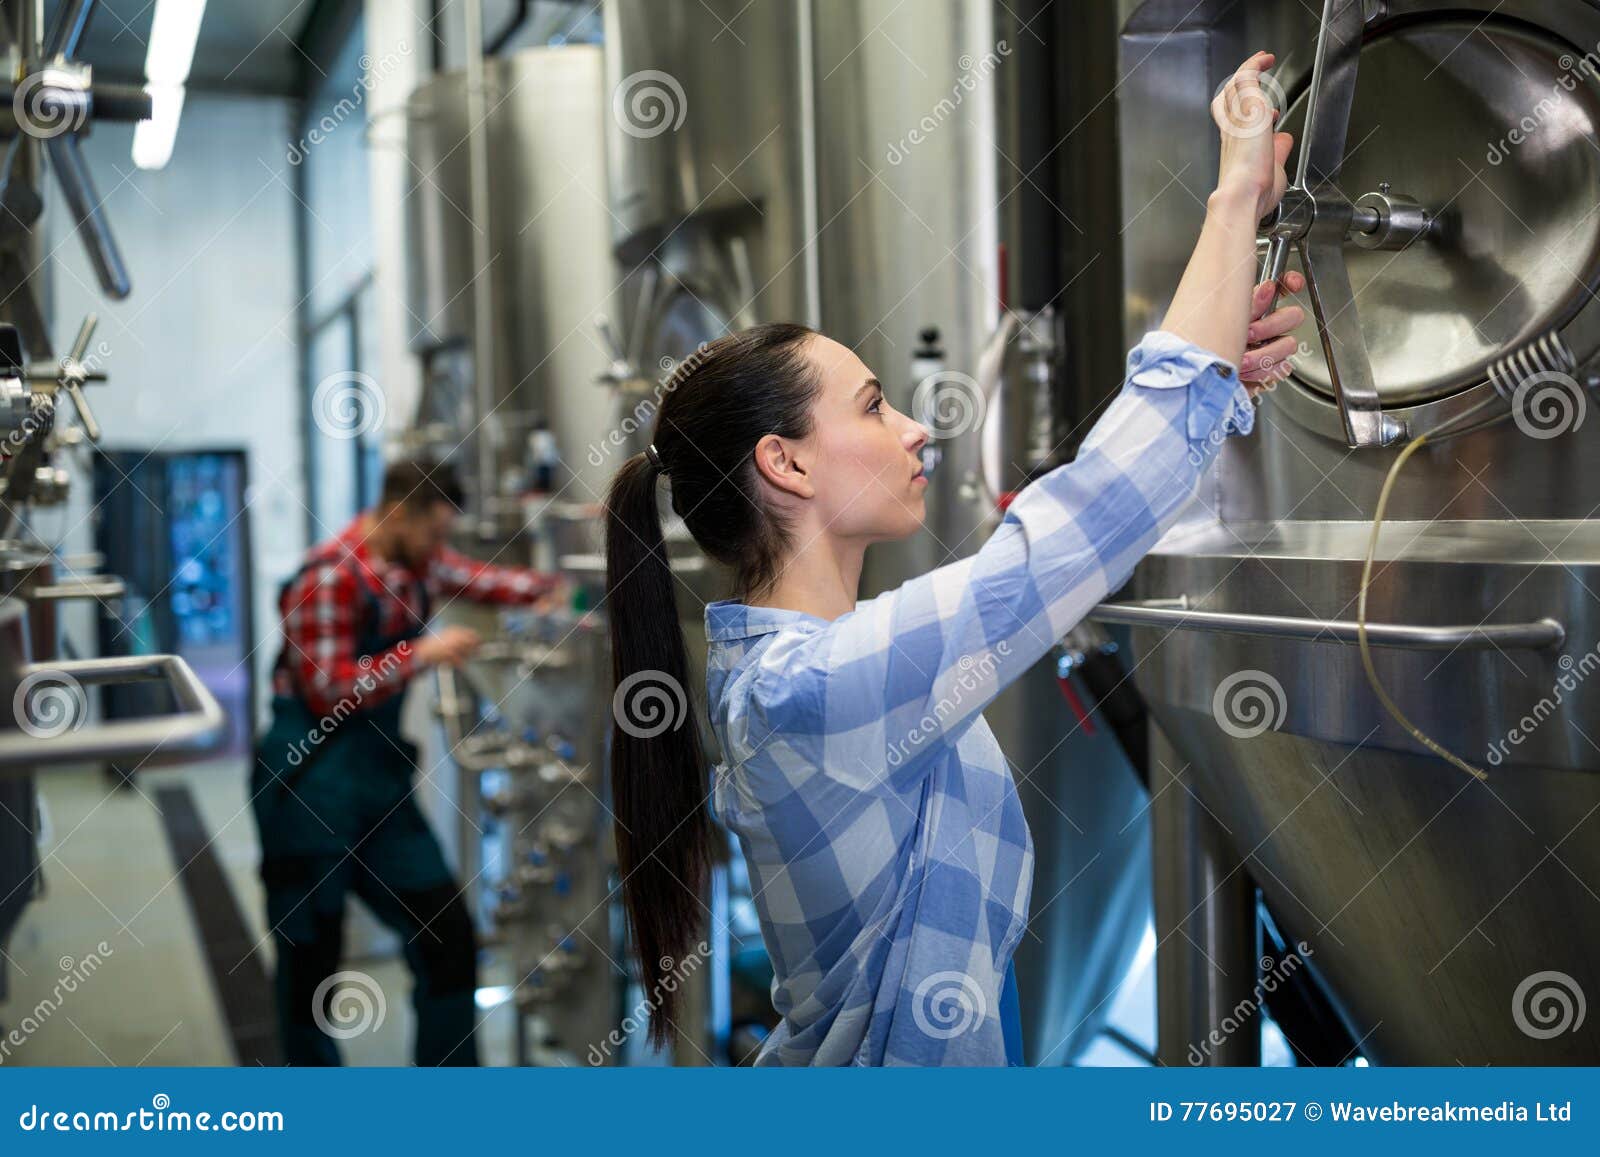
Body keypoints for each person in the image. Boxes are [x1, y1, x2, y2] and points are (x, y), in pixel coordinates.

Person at [602, 51, 1305, 1065]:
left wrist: (1206, 380)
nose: (917, 428)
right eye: (873, 405)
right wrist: (1234, 193)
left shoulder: (823, 667)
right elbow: (1075, 529)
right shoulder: (811, 690)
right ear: (785, 462)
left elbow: (1077, 527)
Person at [251, 458, 563, 1066]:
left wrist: (564, 589)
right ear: (398, 513)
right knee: (310, 964)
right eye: (435, 531)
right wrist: (419, 653)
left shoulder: (414, 563)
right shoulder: (331, 577)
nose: (440, 547)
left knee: (448, 942)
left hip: (379, 789)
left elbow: (486, 581)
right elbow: (326, 688)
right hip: (309, 786)